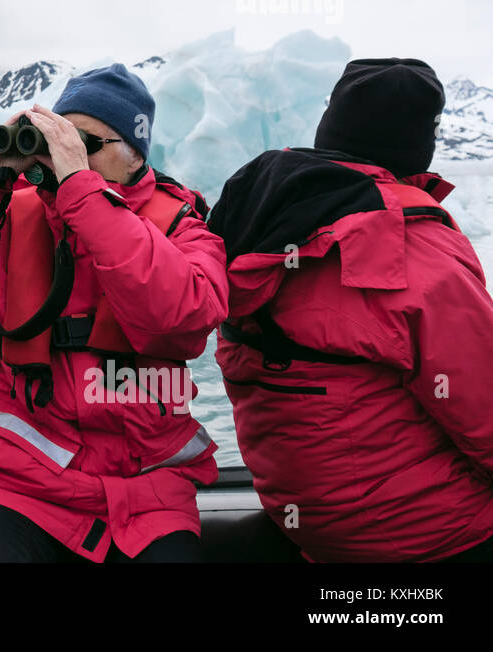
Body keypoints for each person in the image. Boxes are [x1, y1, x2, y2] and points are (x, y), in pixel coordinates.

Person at [0, 63, 229, 562]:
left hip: (143, 493)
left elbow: (183, 318)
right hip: (10, 480)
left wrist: (84, 194)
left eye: (86, 143)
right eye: (60, 138)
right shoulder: (10, 216)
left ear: (133, 155)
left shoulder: (183, 228)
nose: (65, 155)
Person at [209, 57, 493, 562]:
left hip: (308, 517)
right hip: (425, 534)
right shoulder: (413, 249)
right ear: (418, 143)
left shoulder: (251, 220)